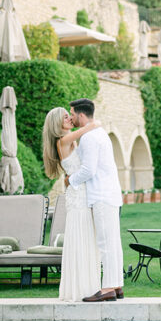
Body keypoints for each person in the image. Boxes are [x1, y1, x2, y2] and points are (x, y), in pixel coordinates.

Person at [67, 99, 124, 302]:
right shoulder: (99, 133)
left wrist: (70, 180)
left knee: (105, 243)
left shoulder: (90, 137)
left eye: (72, 113)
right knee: (113, 242)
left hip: (101, 195)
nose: (71, 117)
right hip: (111, 194)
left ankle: (108, 288)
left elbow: (88, 170)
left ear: (81, 115)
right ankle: (117, 285)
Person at [42, 107, 101, 302]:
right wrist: (94, 124)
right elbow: (89, 127)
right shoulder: (63, 140)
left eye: (69, 116)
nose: (69, 119)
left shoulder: (70, 140)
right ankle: (80, 289)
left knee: (88, 238)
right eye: (65, 117)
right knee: (80, 238)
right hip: (77, 197)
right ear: (57, 123)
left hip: (81, 192)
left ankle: (89, 285)